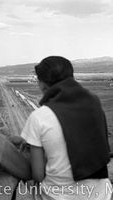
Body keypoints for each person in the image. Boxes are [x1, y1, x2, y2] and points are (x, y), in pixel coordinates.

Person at [21, 56, 112, 199]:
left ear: (43, 84)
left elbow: (38, 175)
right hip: (101, 195)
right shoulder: (94, 103)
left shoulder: (39, 117)